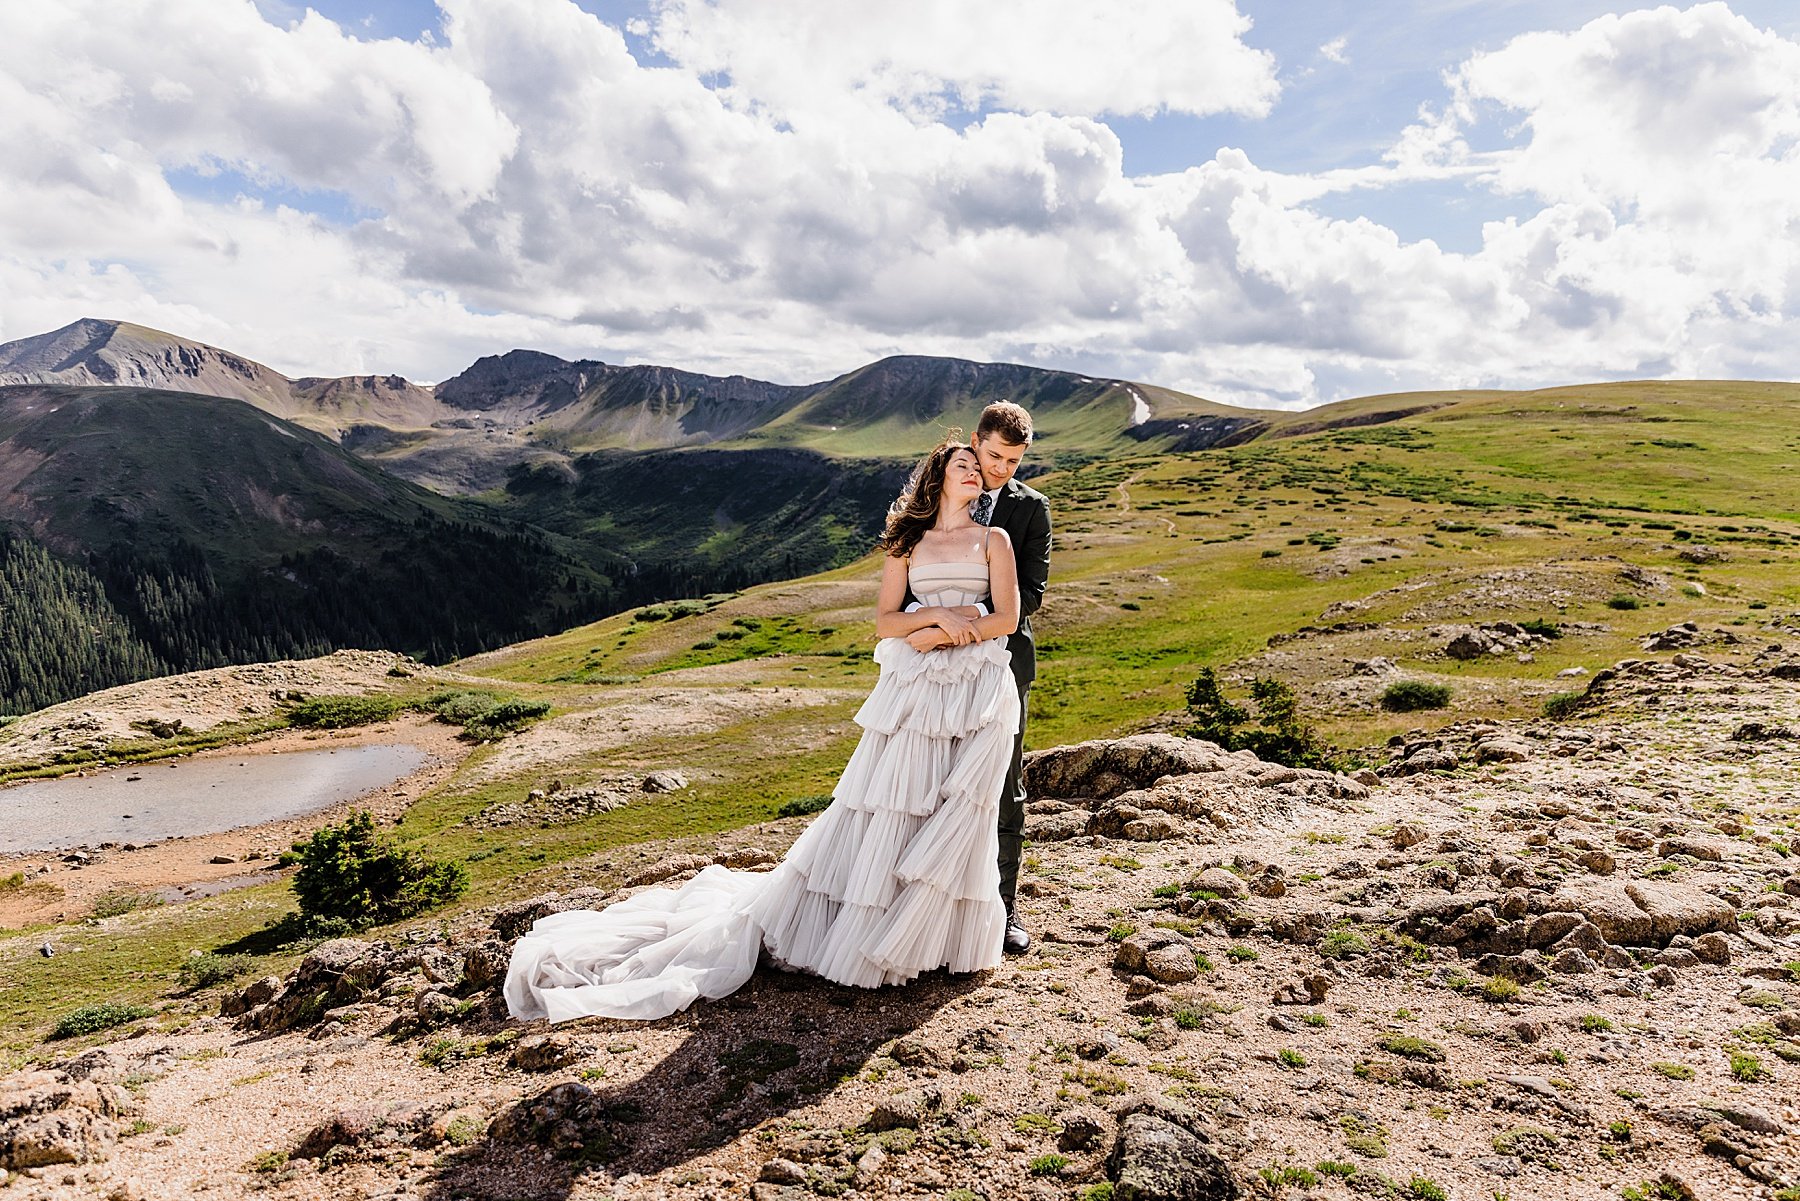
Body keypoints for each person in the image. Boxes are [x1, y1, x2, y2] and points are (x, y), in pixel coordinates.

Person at [505, 438, 1022, 1023]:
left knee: (961, 810)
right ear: (939, 475)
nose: (976, 475)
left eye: (980, 470)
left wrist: (951, 634)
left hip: (978, 684)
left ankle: (939, 940)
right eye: (964, 466)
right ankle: (880, 932)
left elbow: (1008, 616)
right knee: (897, 802)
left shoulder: (993, 540)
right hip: (917, 688)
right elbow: (884, 622)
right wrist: (934, 618)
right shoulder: (908, 541)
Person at [925, 403, 1050, 954]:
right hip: (929, 666)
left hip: (1002, 663)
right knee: (927, 779)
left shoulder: (1032, 510)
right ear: (975, 441)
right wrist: (931, 622)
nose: (1001, 470)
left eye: (1014, 461)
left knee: (1002, 786)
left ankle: (1001, 909)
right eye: (994, 456)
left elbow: (1032, 597)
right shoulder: (937, 495)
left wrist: (960, 618)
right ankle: (928, 907)